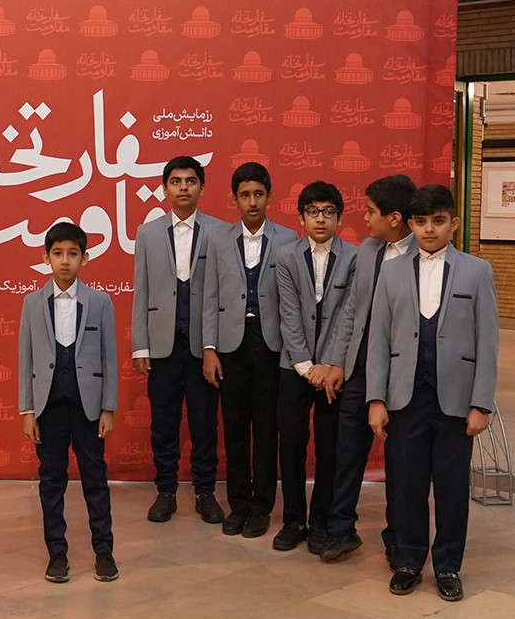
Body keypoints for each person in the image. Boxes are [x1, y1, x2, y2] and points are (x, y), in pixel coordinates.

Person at [366, 184, 498, 601]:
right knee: (406, 483)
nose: (429, 230)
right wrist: (376, 399)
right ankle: (408, 561)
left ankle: (448, 566)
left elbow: (488, 342)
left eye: (438, 221)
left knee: (452, 487)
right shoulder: (390, 271)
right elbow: (378, 339)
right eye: (421, 222)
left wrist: (481, 403)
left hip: (456, 400)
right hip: (405, 397)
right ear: (410, 224)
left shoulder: (477, 271)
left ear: (453, 223)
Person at [318, 175, 416, 567]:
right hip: (358, 368)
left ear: (395, 218)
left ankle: (398, 538)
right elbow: (350, 312)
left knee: (401, 460)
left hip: (402, 374)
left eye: (371, 211)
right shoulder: (367, 251)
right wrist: (337, 362)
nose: (365, 217)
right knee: (347, 452)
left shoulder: (424, 255)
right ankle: (341, 528)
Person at [18, 222, 119, 583]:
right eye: (57, 253)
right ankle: (57, 553)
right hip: (49, 406)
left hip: (88, 407)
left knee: (95, 478)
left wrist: (108, 407)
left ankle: (104, 551)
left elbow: (109, 357)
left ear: (85, 258)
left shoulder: (100, 302)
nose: (65, 261)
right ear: (45, 257)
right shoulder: (32, 303)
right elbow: (26, 359)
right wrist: (27, 410)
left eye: (73, 254)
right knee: (51, 480)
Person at [202, 162, 296, 538]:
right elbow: (210, 296)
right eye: (245, 195)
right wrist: (209, 348)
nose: (252, 202)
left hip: (272, 344)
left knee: (267, 427)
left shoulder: (288, 239)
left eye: (259, 194)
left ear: (270, 197)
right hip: (230, 344)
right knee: (235, 426)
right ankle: (238, 504)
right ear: (235, 199)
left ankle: (261, 507)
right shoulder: (218, 239)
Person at [132, 156, 225, 524]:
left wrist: (215, 345)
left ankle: (205, 491)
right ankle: (166, 491)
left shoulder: (220, 231)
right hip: (162, 345)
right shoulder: (148, 233)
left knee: (205, 423)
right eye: (175, 181)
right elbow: (142, 290)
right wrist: (141, 345)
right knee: (163, 423)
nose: (183, 187)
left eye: (190, 180)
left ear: (202, 187)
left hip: (205, 346)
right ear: (165, 188)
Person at [274, 181, 355, 553]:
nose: (320, 219)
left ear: (339, 217)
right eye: (312, 212)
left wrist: (330, 363)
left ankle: (321, 521)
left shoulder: (355, 258)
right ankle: (293, 520)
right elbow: (288, 315)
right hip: (295, 366)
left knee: (330, 445)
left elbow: (348, 317)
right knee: (291, 442)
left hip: (334, 370)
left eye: (328, 212)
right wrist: (307, 367)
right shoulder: (286, 257)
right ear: (301, 218)